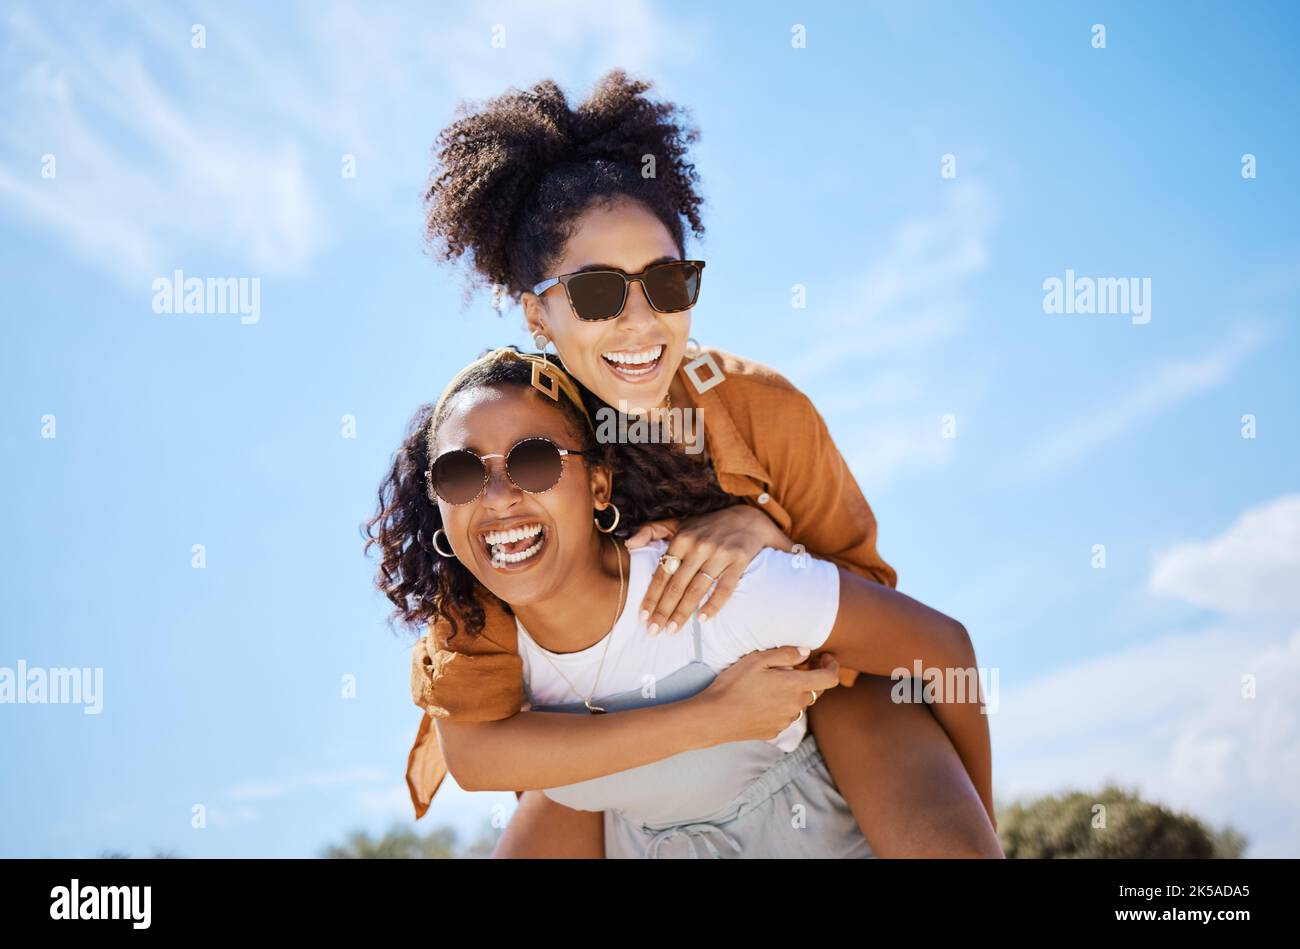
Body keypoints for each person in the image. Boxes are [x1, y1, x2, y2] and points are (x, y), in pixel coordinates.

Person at [404, 68, 999, 856]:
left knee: (868, 696)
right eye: (595, 294)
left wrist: (767, 529)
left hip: (806, 691)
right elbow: (479, 742)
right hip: (611, 741)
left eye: (666, 282)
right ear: (537, 312)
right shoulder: (501, 465)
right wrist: (706, 718)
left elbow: (876, 615)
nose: (638, 321)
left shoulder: (758, 408)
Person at [368, 347, 999, 857]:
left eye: (535, 461)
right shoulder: (475, 642)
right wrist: (715, 716)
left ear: (597, 483)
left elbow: (944, 651)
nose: (499, 495)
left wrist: (979, 824)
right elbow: (475, 761)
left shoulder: (712, 583)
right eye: (460, 473)